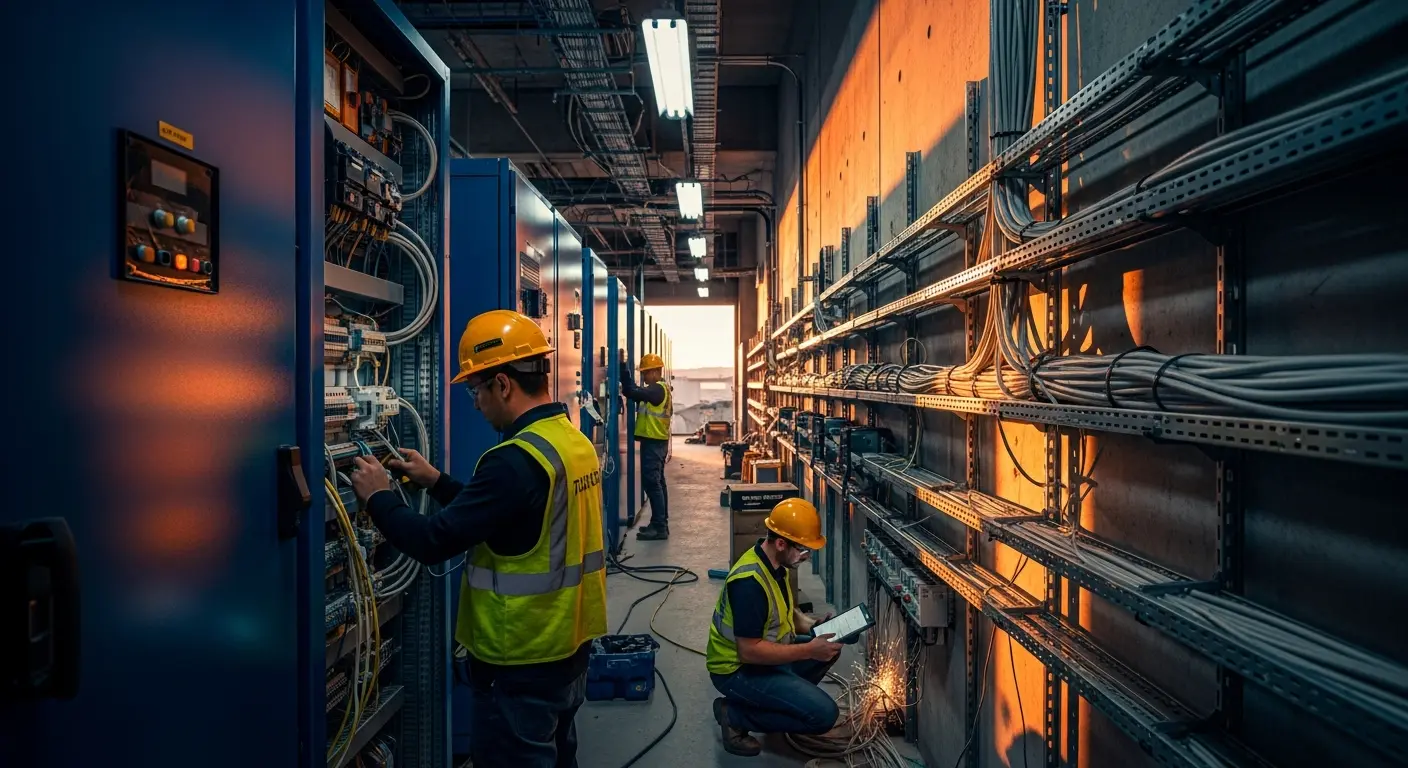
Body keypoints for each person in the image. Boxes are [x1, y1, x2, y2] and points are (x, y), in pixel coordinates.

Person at [347, 309, 607, 768]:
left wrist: (378, 497)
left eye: (475, 389)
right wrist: (436, 481)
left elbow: (432, 541)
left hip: (520, 660)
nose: (474, 403)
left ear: (502, 384)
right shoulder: (570, 441)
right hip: (567, 649)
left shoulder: (510, 460)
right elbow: (509, 515)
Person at [705, 498, 844, 757]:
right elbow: (749, 651)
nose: (806, 556)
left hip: (765, 656)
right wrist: (809, 650)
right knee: (824, 715)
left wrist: (813, 626)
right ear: (781, 543)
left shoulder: (775, 564)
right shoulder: (749, 584)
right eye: (802, 549)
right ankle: (734, 716)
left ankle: (783, 704)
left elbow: (786, 613)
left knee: (831, 647)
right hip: (736, 670)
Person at [618, 353, 672, 540]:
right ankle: (659, 523)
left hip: (654, 442)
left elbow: (632, 392)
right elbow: (636, 392)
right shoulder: (659, 389)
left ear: (656, 372)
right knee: (658, 483)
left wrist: (622, 368)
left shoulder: (657, 390)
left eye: (646, 373)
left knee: (652, 484)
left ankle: (659, 527)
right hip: (657, 441)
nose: (644, 377)